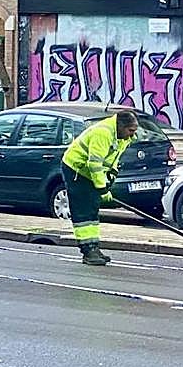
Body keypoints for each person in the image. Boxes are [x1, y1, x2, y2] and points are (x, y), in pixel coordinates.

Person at [61, 110, 139, 266]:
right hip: (77, 169)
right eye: (130, 131)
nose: (132, 135)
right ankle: (87, 251)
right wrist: (102, 188)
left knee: (93, 208)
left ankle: (94, 247)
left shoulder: (123, 137)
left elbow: (113, 160)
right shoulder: (102, 133)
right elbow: (94, 164)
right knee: (83, 209)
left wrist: (109, 180)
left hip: (91, 173)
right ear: (121, 126)